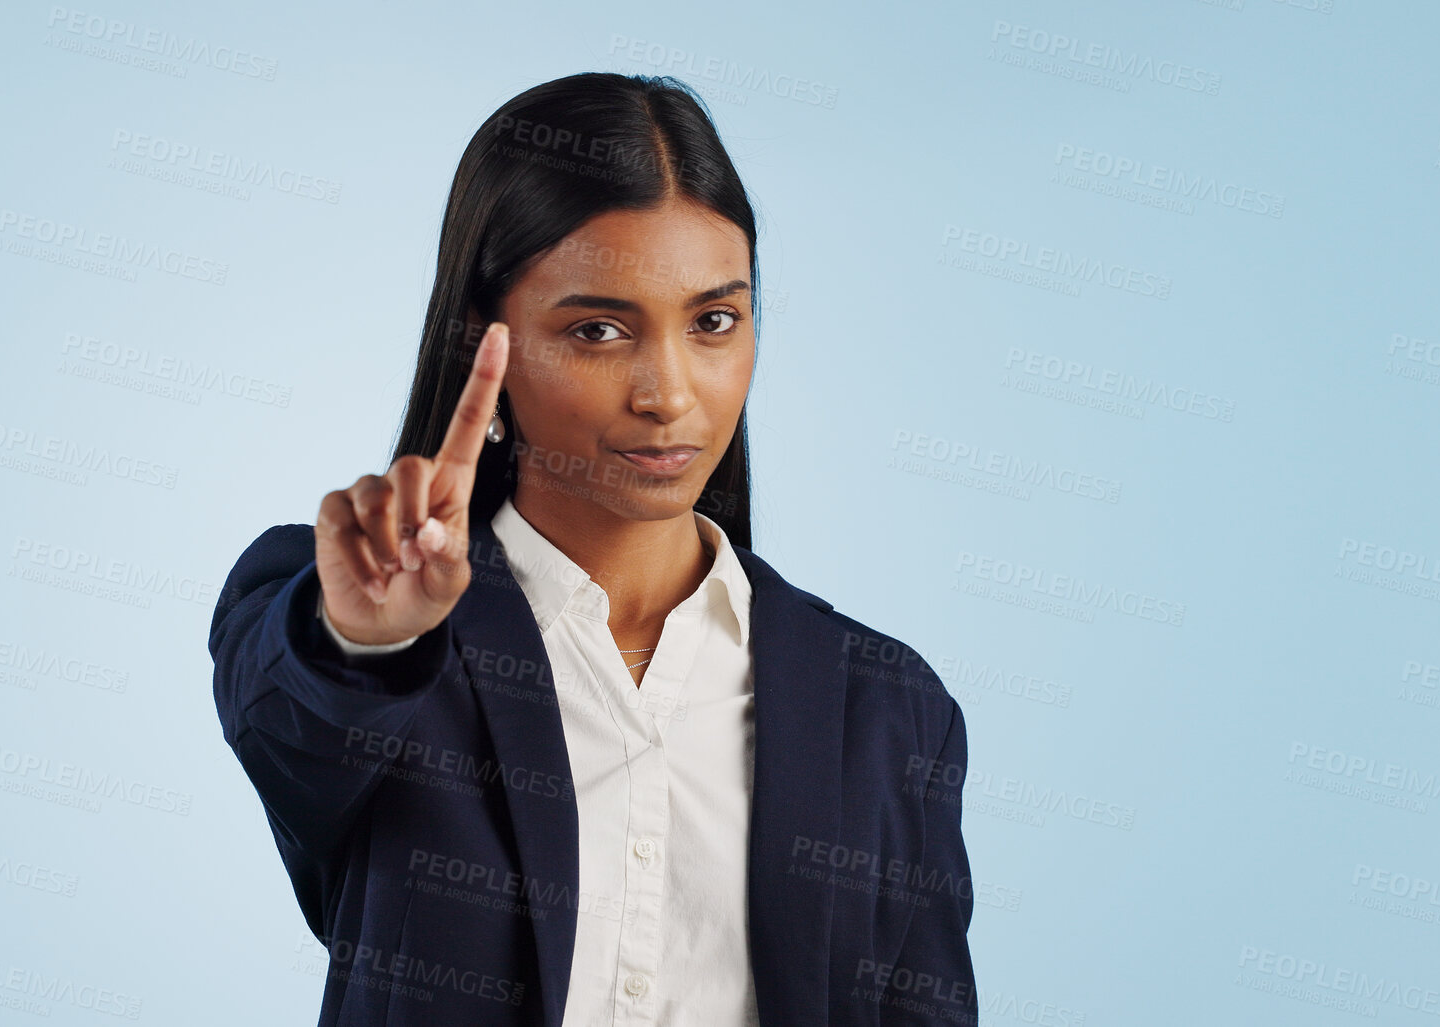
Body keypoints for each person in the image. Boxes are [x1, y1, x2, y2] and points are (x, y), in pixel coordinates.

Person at [208, 72, 977, 1027]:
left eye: (713, 322)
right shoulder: (363, 628)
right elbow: (288, 724)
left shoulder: (887, 707)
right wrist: (362, 642)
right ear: (483, 341)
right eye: (599, 329)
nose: (668, 392)